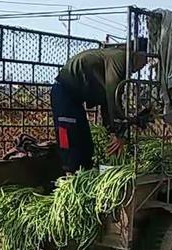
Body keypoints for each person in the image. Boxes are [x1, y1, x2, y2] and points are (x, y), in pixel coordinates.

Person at [51, 42, 148, 174]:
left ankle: (85, 176)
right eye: (145, 61)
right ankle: (70, 180)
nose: (143, 66)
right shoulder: (121, 59)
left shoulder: (118, 59)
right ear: (138, 54)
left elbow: (107, 102)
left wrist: (112, 131)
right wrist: (119, 134)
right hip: (64, 93)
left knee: (85, 144)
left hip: (74, 98)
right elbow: (112, 94)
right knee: (69, 139)